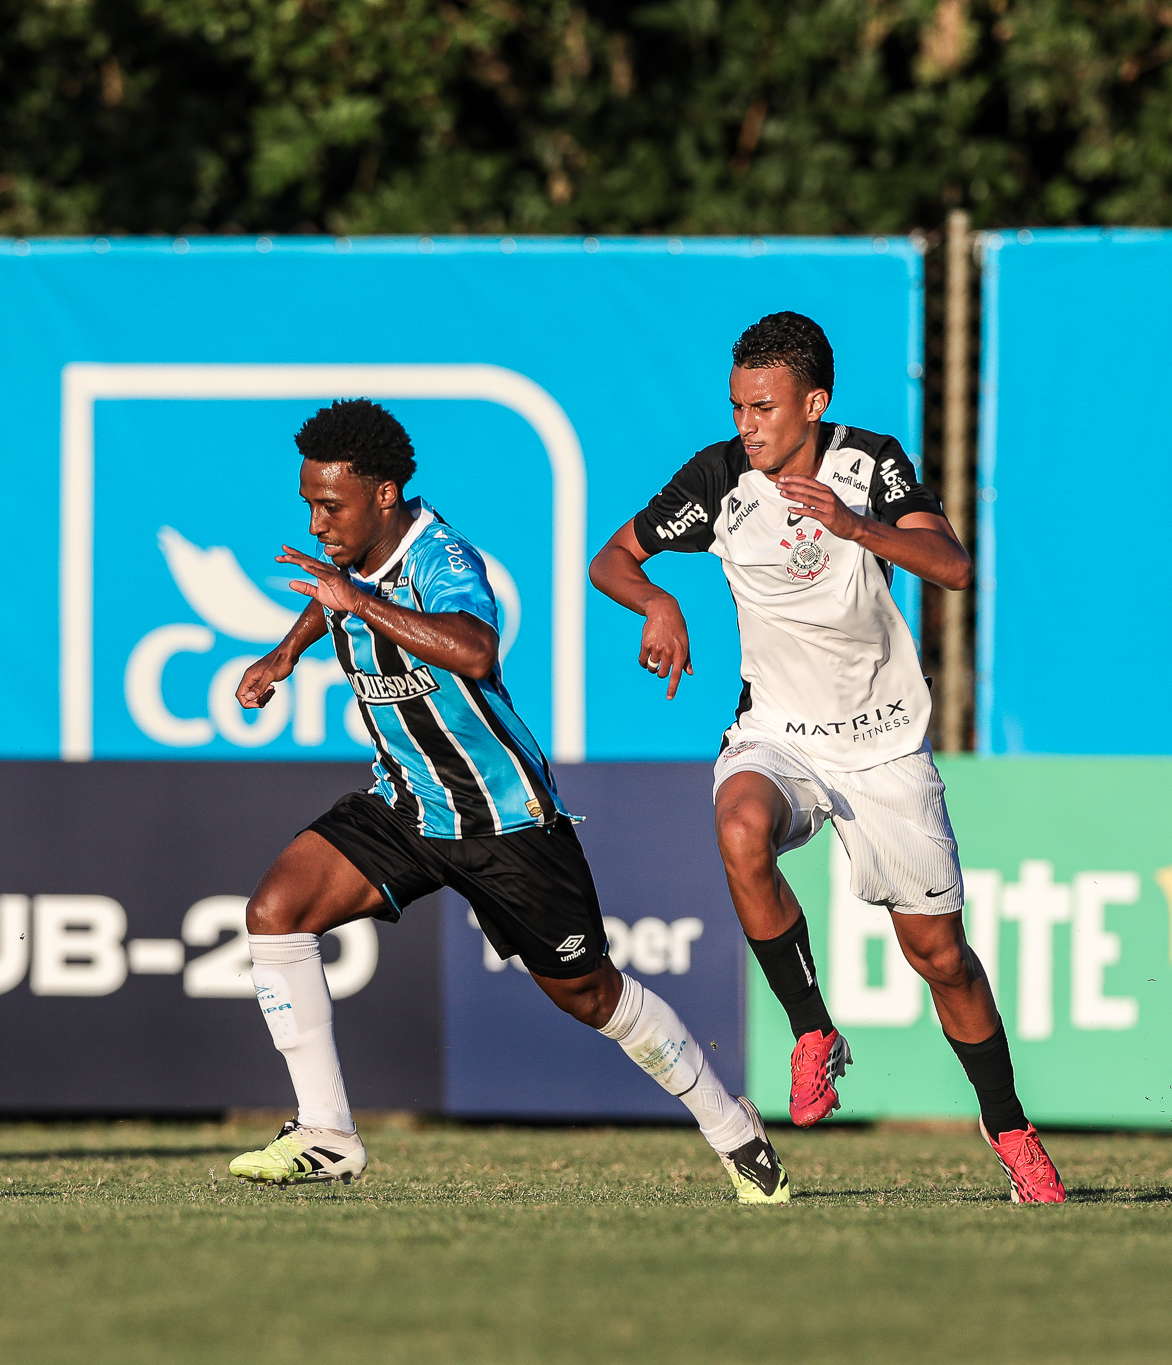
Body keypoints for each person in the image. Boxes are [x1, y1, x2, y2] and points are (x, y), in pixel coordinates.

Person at [228, 398, 791, 1203]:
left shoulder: (442, 555)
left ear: (384, 494)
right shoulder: (354, 566)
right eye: (310, 506)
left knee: (594, 995)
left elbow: (475, 647)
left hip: (506, 822)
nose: (319, 525)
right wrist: (284, 653)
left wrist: (356, 604)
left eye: (331, 506)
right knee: (276, 908)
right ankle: (327, 1131)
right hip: (408, 807)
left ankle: (734, 1129)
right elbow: (334, 594)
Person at [588, 312, 1066, 1204]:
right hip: (777, 733)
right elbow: (611, 557)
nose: (747, 426)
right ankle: (813, 1032)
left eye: (764, 408)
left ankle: (1008, 1125)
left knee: (942, 959)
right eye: (738, 407)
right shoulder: (719, 478)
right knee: (739, 830)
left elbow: (952, 565)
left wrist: (856, 525)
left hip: (883, 744)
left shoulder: (869, 464)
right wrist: (656, 603)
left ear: (814, 403)